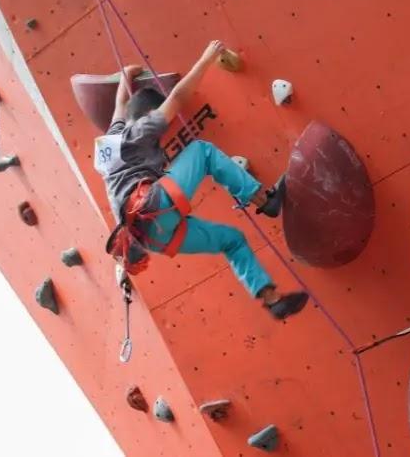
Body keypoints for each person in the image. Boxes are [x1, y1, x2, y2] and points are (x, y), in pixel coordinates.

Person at [96, 41, 308, 320]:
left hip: (153, 239)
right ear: (148, 117)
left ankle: (272, 300)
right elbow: (177, 99)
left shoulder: (110, 141)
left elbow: (119, 106)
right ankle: (265, 201)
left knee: (232, 241)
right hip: (152, 205)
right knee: (203, 151)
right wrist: (207, 59)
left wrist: (126, 76)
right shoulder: (141, 130)